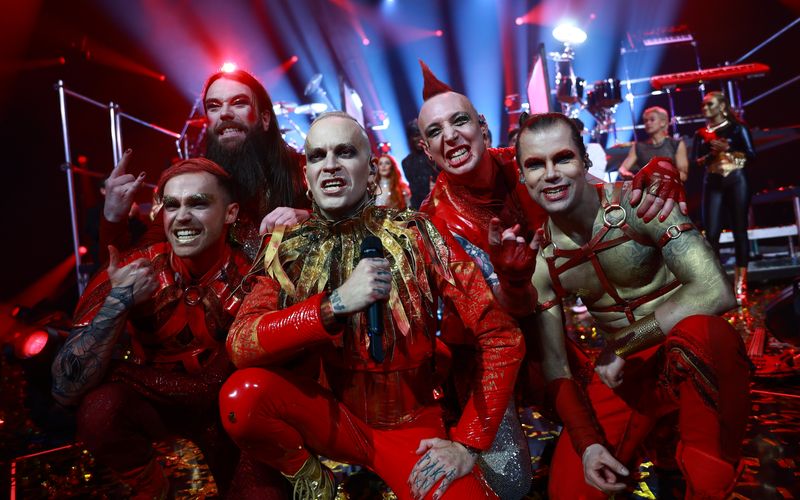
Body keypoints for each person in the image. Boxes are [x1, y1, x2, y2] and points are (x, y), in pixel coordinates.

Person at [218, 112, 525, 500]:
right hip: (332, 419)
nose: (330, 164)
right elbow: (241, 343)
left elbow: (501, 336)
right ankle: (314, 481)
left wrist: (468, 443)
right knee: (241, 397)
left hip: (411, 430)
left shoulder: (418, 235)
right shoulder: (289, 248)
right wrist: (332, 306)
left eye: (345, 152)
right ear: (307, 178)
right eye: (317, 155)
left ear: (371, 168)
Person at [494, 112, 750, 499]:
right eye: (535, 164)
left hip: (690, 354)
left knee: (703, 333)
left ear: (585, 161)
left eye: (562, 158)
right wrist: (586, 441)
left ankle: (707, 479)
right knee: (569, 491)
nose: (550, 174)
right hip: (627, 377)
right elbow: (556, 368)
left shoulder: (639, 203)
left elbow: (716, 291)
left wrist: (623, 343)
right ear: (523, 176)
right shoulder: (542, 259)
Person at [51, 159, 285, 498]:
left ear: (231, 213)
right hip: (159, 410)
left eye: (199, 203)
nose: (182, 216)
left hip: (235, 414)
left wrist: (121, 372)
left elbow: (213, 388)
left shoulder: (254, 270)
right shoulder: (135, 267)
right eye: (172, 205)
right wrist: (119, 303)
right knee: (101, 409)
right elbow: (63, 388)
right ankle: (153, 487)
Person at [100, 68, 309, 261]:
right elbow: (133, 264)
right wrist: (113, 218)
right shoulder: (195, 185)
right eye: (214, 106)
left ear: (264, 119)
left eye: (238, 103)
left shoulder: (304, 171)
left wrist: (308, 219)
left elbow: (341, 230)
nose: (225, 113)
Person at [691, 91, 756, 302]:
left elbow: (751, 155)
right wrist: (710, 154)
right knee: (711, 234)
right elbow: (695, 163)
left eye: (709, 105)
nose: (705, 109)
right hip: (713, 181)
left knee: (739, 230)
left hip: (736, 179)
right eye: (703, 105)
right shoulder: (700, 133)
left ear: (722, 106)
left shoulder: (738, 127)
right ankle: (716, 285)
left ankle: (740, 286)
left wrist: (730, 148)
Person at [618, 106, 689, 182]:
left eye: (652, 120)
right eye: (645, 121)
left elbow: (683, 174)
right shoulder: (638, 147)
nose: (648, 123)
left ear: (663, 122)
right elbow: (623, 168)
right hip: (647, 191)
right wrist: (625, 173)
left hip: (670, 189)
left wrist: (664, 179)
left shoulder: (676, 144)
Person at [401, 119, 439, 209]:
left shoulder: (436, 154)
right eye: (415, 135)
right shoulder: (406, 162)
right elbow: (414, 187)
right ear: (410, 138)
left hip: (440, 201)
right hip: (420, 206)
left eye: (421, 135)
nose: (419, 139)